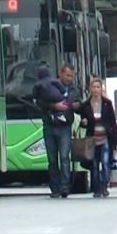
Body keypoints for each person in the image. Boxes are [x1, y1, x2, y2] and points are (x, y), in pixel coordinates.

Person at [34, 63, 81, 198]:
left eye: (72, 76)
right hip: (49, 126)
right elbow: (39, 102)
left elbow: (73, 102)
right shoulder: (48, 86)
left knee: (65, 157)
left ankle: (65, 187)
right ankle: (55, 188)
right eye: (67, 75)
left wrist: (69, 106)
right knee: (52, 159)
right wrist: (54, 105)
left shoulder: (74, 89)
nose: (69, 78)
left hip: (65, 128)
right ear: (60, 73)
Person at [79, 77, 117, 198]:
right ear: (90, 89)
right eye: (94, 87)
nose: (96, 89)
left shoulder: (107, 103)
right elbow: (82, 122)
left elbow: (113, 122)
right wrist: (83, 122)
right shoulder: (86, 105)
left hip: (105, 139)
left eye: (98, 87)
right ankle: (97, 188)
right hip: (92, 139)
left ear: (101, 89)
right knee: (94, 164)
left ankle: (104, 186)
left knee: (106, 162)